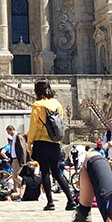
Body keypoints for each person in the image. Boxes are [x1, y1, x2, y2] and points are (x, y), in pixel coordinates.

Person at [27, 78, 76, 211]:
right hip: (55, 143)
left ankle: (50, 202)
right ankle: (71, 200)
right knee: (57, 173)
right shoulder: (58, 104)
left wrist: (29, 142)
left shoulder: (38, 105)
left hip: (41, 143)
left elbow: (33, 127)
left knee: (45, 172)